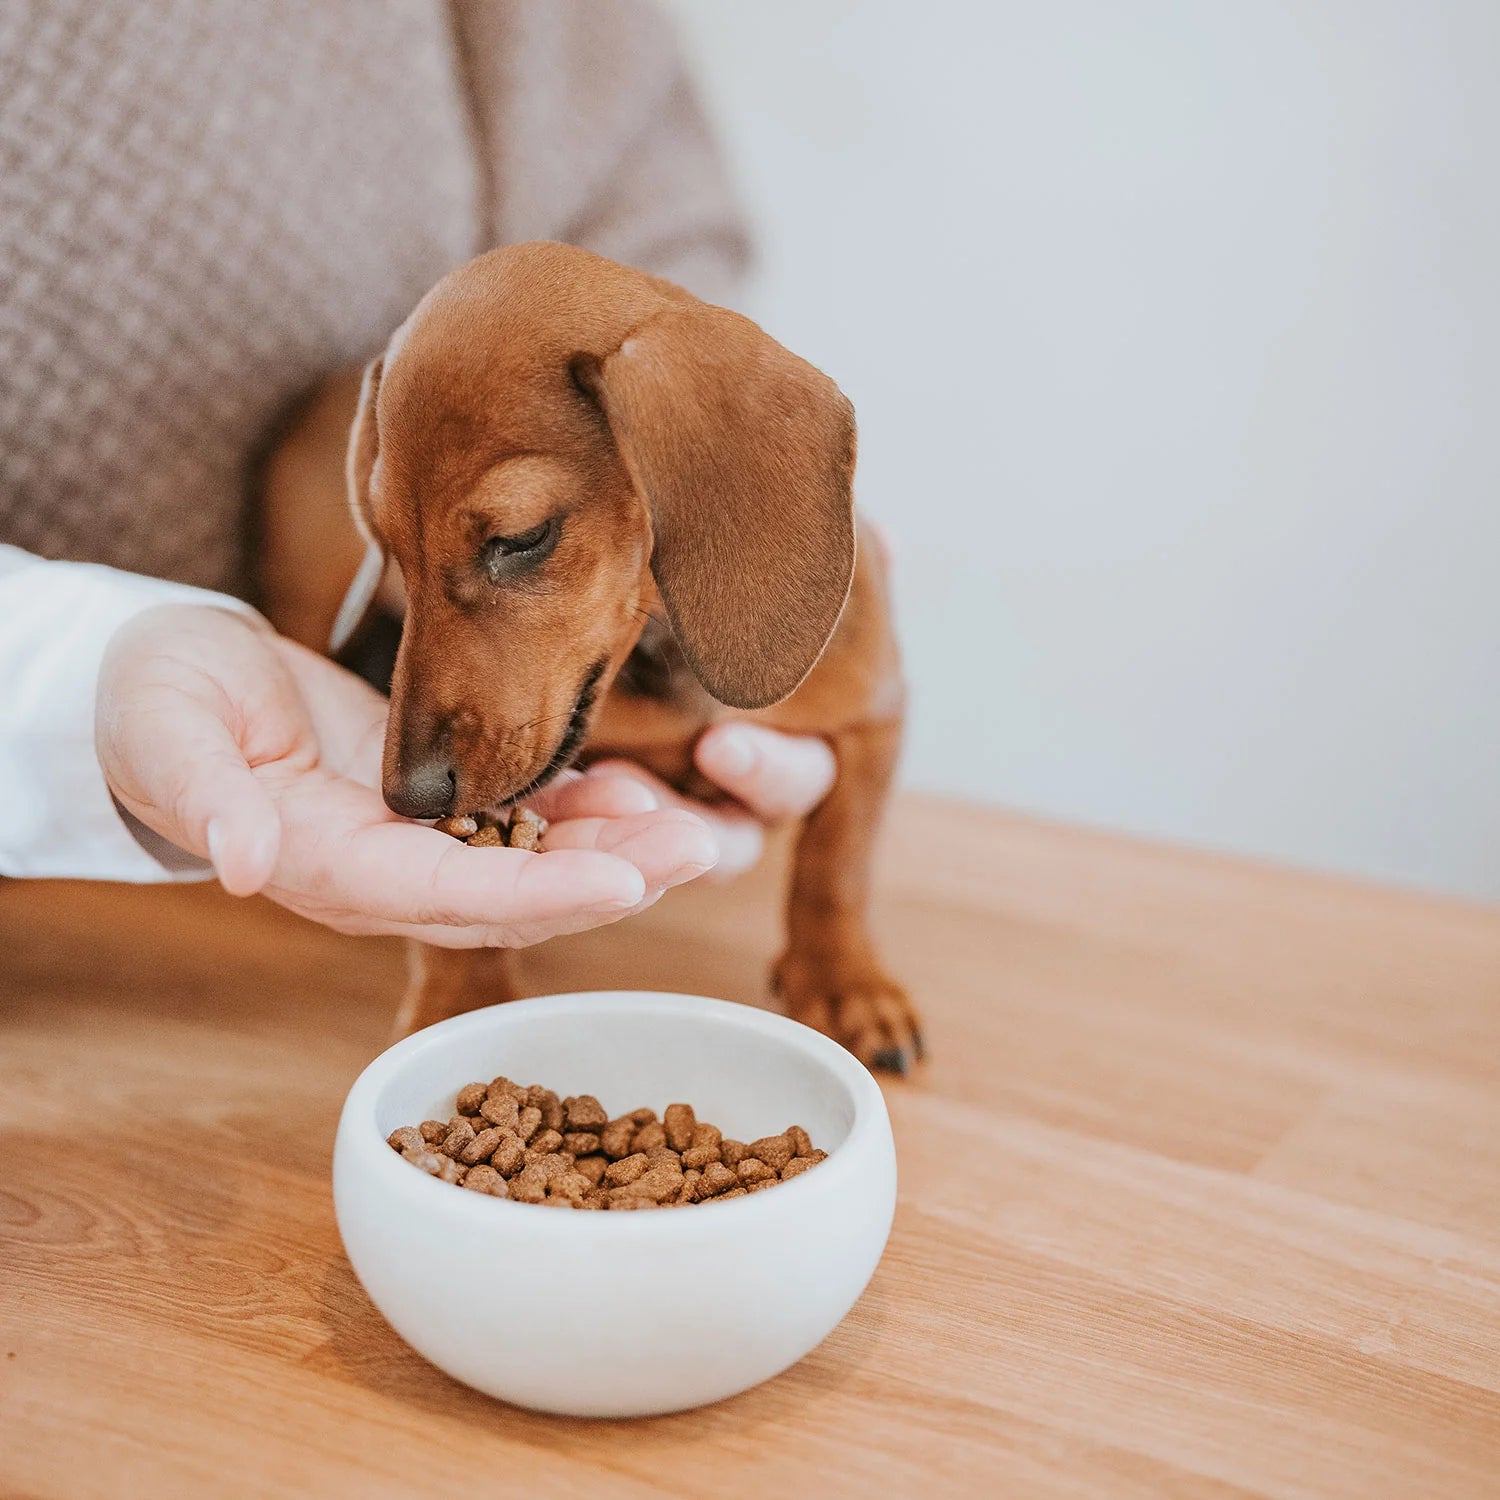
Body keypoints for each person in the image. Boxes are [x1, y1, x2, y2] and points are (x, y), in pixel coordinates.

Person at [0, 0, 836, 949]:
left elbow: (637, 189)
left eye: (516, 541)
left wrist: (713, 521)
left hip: (313, 819)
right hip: (91, 889)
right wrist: (57, 688)